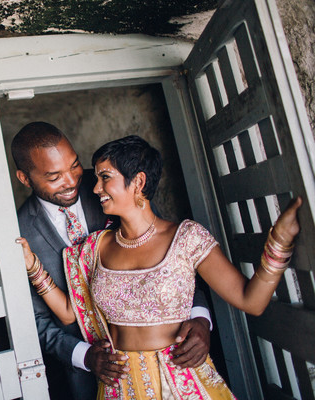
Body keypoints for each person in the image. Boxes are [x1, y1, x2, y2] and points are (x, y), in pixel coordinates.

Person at [17, 135, 302, 399]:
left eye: (104, 177)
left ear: (138, 182)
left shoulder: (186, 238)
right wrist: (33, 266)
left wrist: (279, 242)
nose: (93, 188)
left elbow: (251, 301)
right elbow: (69, 313)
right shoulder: (94, 248)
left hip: (181, 381)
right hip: (120, 388)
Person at [12, 123, 213, 400]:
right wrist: (83, 356)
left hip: (172, 360)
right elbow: (35, 318)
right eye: (54, 176)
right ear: (25, 178)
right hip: (89, 377)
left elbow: (173, 258)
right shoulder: (18, 232)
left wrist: (200, 318)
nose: (71, 181)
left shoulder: (109, 189)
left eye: (74, 166)